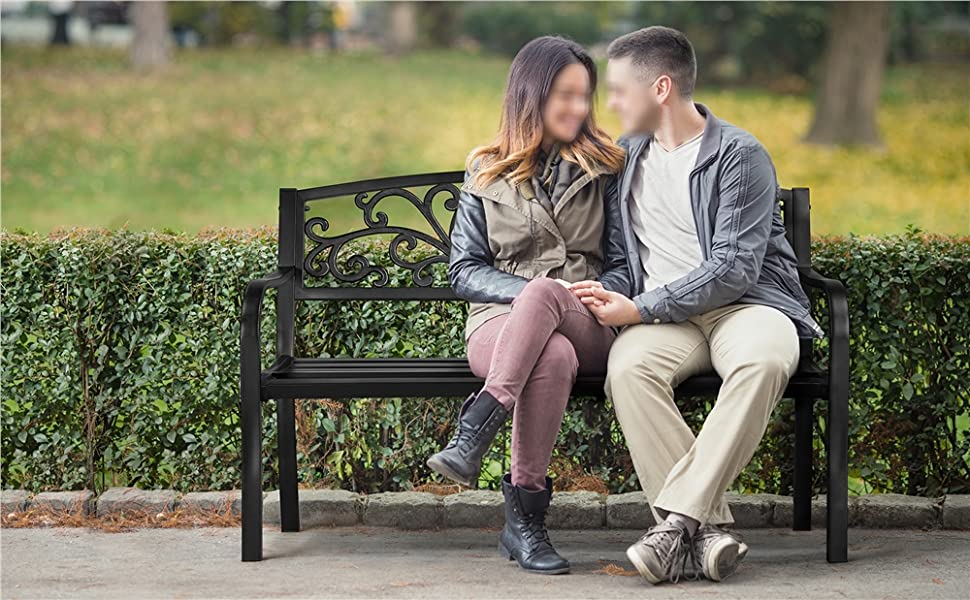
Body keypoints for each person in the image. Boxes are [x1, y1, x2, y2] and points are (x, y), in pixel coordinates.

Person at [570, 26, 825, 585]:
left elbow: (734, 268)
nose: (608, 103)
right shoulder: (626, 158)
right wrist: (617, 295)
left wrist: (639, 309)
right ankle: (704, 533)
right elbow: (616, 250)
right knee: (629, 368)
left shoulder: (740, 155)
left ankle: (677, 521)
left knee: (763, 360)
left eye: (617, 90)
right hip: (666, 317)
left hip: (748, 306)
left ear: (660, 88)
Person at [427, 35, 630, 575]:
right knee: (552, 350)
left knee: (550, 298)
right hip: (500, 327)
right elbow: (464, 270)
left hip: (589, 318)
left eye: (585, 95)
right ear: (531, 95)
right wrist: (536, 295)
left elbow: (625, 262)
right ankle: (525, 525)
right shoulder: (486, 171)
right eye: (565, 95)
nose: (579, 108)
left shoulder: (606, 168)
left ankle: (479, 422)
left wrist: (595, 292)